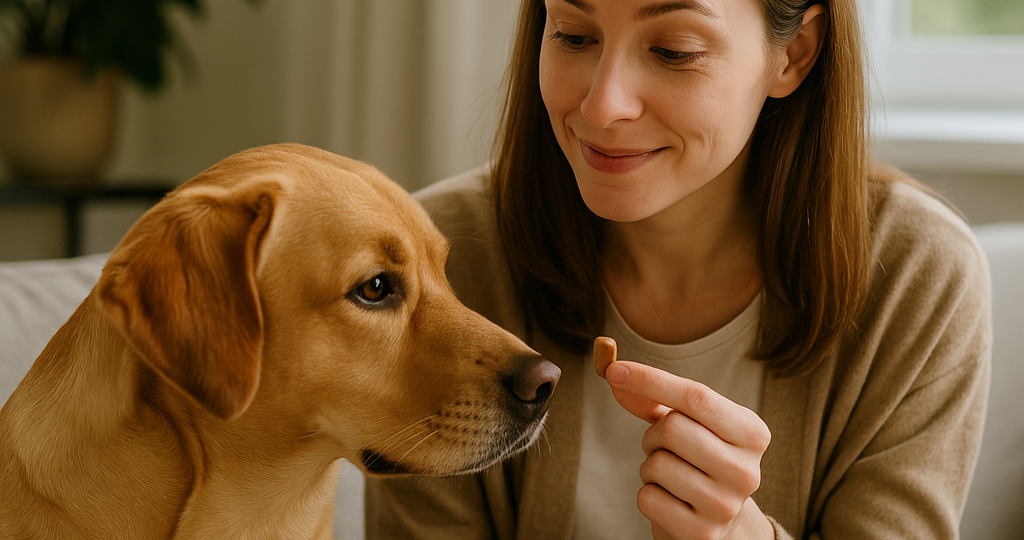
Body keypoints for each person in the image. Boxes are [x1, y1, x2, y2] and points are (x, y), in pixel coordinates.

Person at [364, 0, 992, 538]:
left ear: (794, 54)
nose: (604, 104)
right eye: (573, 35)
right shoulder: (439, 259)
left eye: (674, 49)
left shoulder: (918, 274)